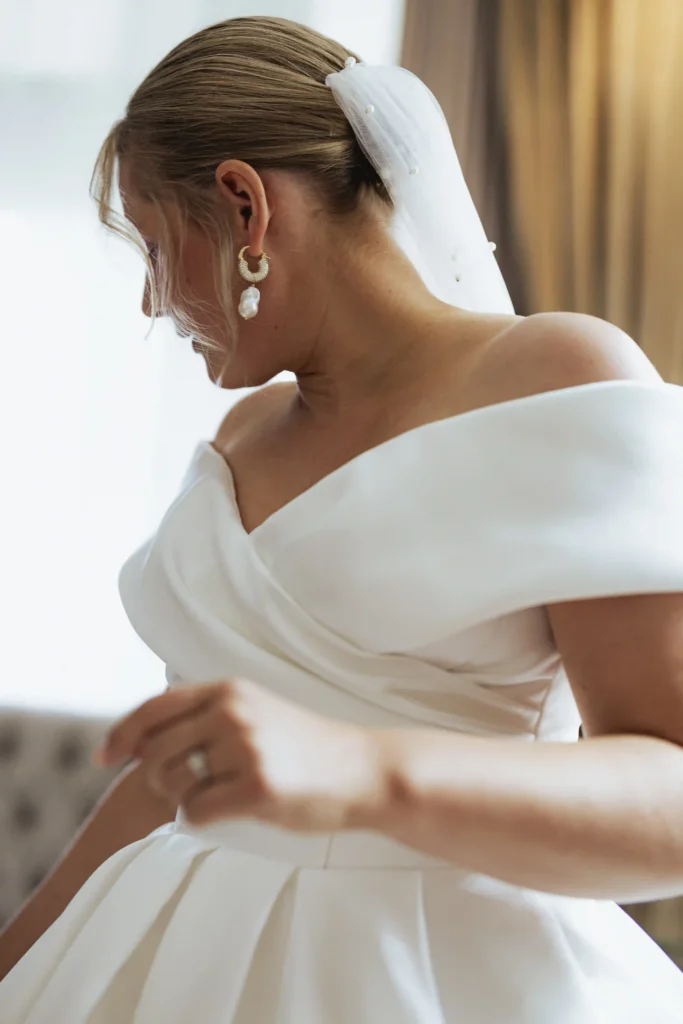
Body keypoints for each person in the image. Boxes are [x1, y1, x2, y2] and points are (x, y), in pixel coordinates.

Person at [2, 14, 683, 1023]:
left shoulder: (554, 377)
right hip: (162, 959)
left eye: (154, 247)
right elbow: (166, 777)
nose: (152, 303)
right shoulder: (239, 436)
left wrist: (362, 774)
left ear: (244, 208)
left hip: (440, 976)